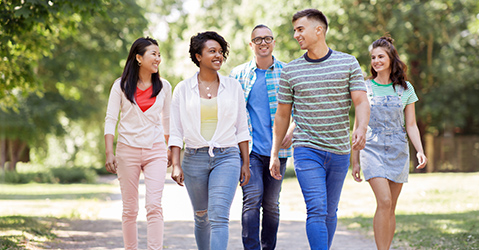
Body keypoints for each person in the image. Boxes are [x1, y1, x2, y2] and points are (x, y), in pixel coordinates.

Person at [269, 9, 370, 250]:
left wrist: (361, 127)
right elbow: (282, 115)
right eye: (294, 30)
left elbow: (361, 101)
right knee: (316, 208)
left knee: (329, 212)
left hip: (339, 150)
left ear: (319, 30)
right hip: (306, 148)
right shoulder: (291, 71)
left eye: (300, 29)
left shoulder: (348, 62)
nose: (295, 35)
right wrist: (275, 152)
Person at [169, 31, 251, 250]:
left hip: (227, 156)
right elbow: (175, 130)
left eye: (220, 52)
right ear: (198, 56)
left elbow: (242, 129)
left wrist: (246, 163)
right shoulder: (183, 89)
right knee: (202, 217)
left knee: (219, 217)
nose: (218, 56)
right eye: (212, 51)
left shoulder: (233, 87)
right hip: (194, 158)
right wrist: (176, 164)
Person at [351, 36, 428, 250]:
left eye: (380, 56)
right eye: (373, 57)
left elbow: (411, 125)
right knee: (384, 202)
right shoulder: (363, 88)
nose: (376, 61)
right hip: (371, 149)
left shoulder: (406, 89)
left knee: (391, 207)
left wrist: (419, 151)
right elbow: (358, 127)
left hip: (398, 150)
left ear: (391, 58)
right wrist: (355, 160)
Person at [229, 24, 294, 250]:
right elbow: (231, 113)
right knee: (252, 199)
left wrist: (293, 129)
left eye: (267, 38)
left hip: (280, 150)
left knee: (272, 205)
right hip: (251, 151)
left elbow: (301, 108)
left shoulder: (287, 72)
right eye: (258, 39)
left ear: (274, 42)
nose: (263, 43)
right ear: (251, 44)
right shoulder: (237, 75)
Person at [104, 37, 171, 250]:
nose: (158, 58)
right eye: (154, 54)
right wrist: (109, 152)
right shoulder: (120, 86)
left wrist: (170, 150)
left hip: (155, 151)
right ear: (139, 58)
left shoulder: (164, 87)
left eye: (159, 54)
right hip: (127, 151)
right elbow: (110, 119)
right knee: (130, 209)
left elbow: (168, 121)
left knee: (154, 206)